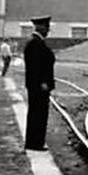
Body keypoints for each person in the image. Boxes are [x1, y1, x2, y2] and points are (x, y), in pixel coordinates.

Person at [22, 15, 55, 151]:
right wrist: (42, 82)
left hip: (38, 85)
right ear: (40, 27)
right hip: (39, 85)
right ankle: (35, 142)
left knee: (38, 113)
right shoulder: (35, 43)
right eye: (46, 27)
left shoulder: (35, 42)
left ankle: (36, 141)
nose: (47, 30)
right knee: (38, 114)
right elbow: (36, 67)